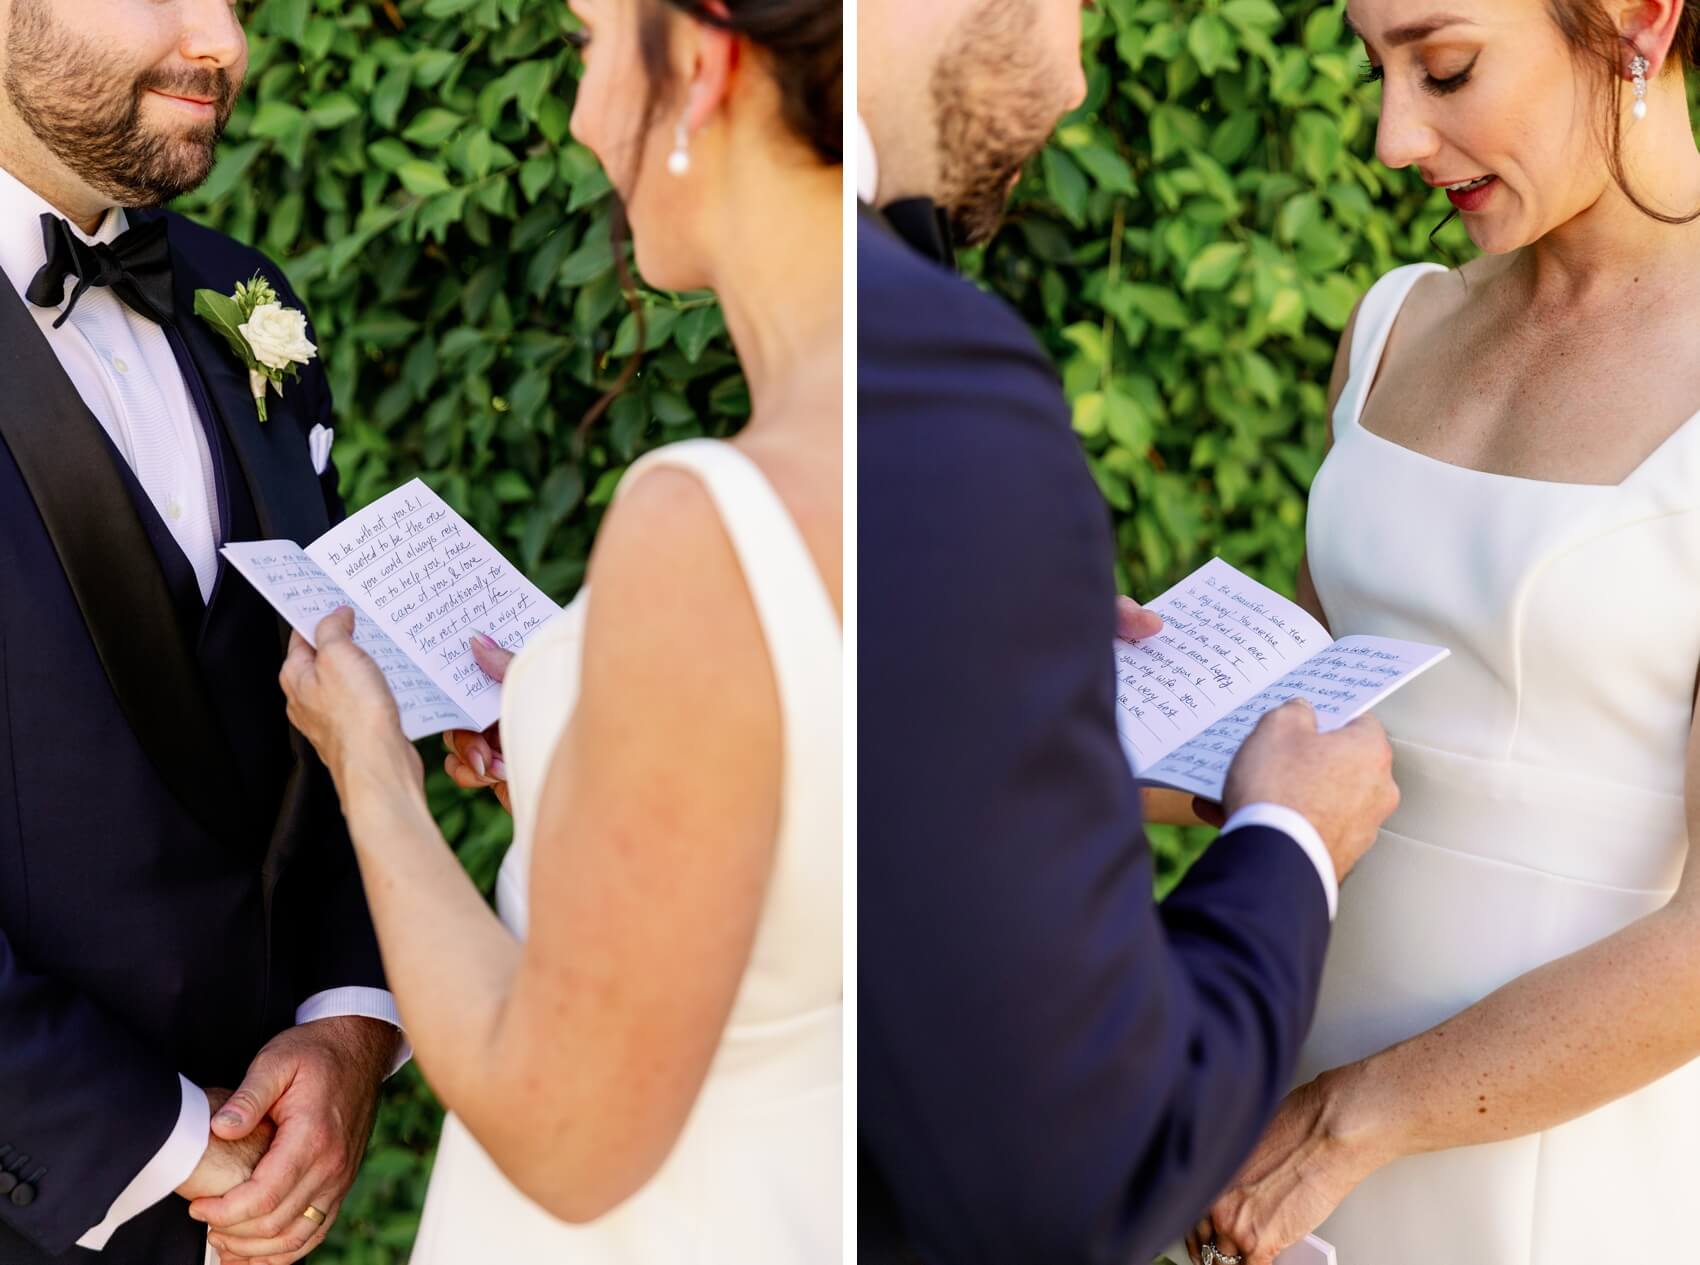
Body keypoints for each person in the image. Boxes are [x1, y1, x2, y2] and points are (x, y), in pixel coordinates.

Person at [276, 0, 843, 1260]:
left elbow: (567, 1128)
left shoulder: (706, 521)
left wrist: (372, 765)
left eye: (590, 42)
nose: (583, 116)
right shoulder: (949, 442)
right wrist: (572, 751)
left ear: (697, 67)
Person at [856, 2, 1401, 1263]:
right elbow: (1077, 1157)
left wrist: (1008, 671)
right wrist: (1285, 836)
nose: (1074, 86)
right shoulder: (930, 364)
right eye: (1079, 6)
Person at [1189, 2, 1700, 1263]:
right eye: (1374, 68)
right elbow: (1317, 743)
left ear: (1638, 18)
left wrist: (1351, 1123)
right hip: (1286, 1114)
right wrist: (1090, 703)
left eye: (1445, 66)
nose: (1390, 134)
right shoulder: (1395, 323)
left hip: (1542, 1164)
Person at [0, 1, 409, 1263]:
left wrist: (349, 1021)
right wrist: (166, 1147)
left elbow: (310, 690)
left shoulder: (246, 299)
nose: (222, 40)